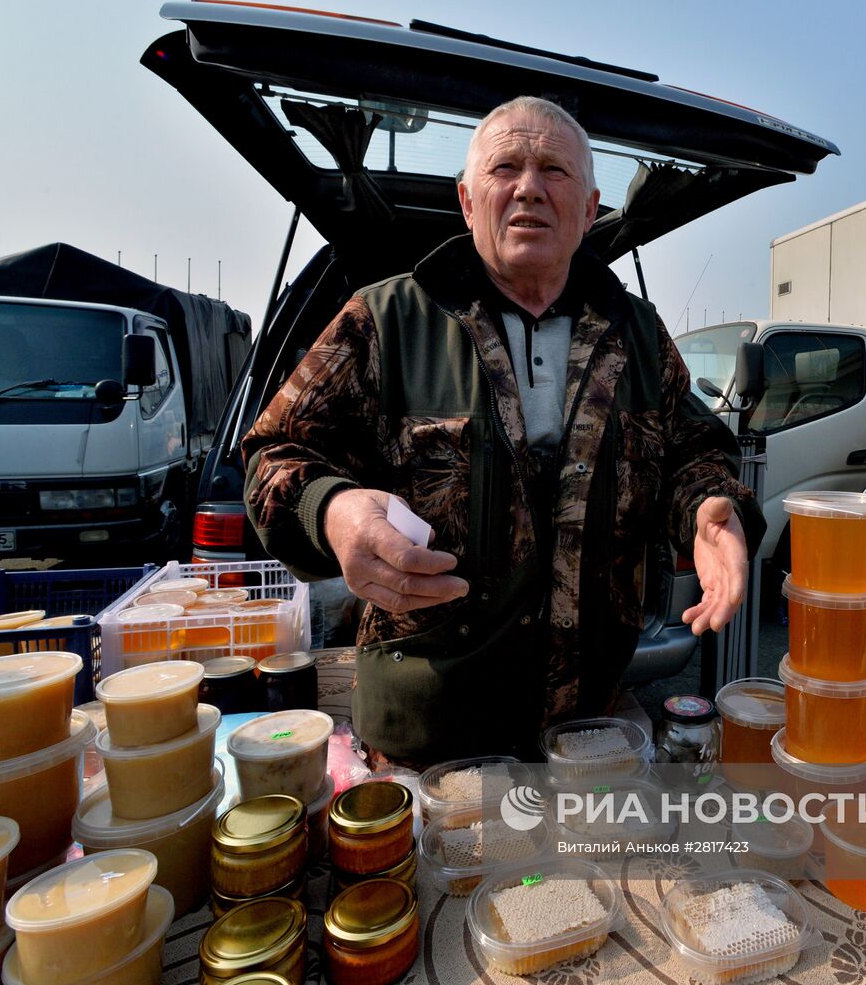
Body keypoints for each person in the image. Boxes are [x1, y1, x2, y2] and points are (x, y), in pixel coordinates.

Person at [242, 96, 765, 766]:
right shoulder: (386, 318)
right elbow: (273, 453)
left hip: (589, 727)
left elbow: (691, 450)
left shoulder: (635, 332)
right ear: (467, 201)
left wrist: (711, 507)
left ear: (587, 208)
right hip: (426, 740)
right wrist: (333, 509)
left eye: (553, 169)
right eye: (505, 167)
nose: (528, 187)